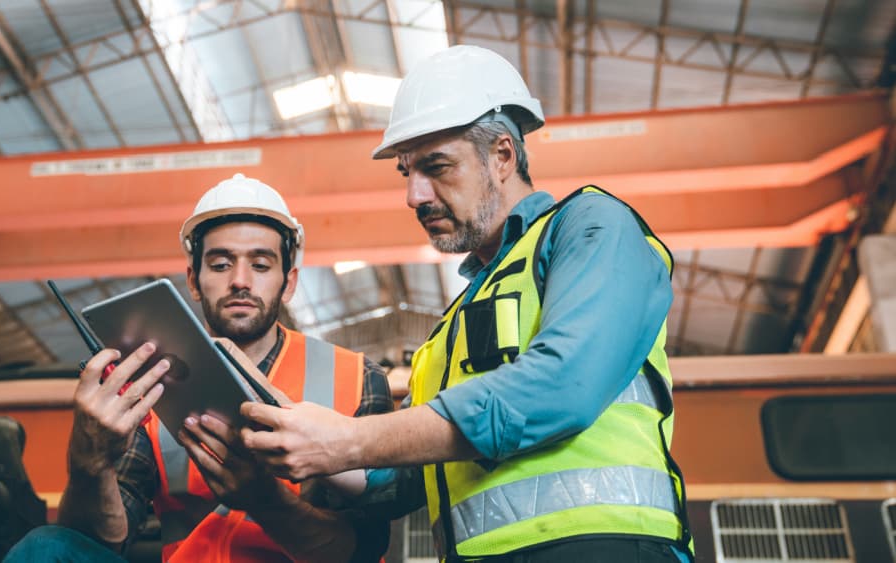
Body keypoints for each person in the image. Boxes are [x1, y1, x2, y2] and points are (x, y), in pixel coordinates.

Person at [240, 45, 694, 562]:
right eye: (407, 172)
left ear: (502, 155)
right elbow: (417, 473)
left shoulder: (591, 227)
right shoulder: (447, 330)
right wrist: (303, 446)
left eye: (436, 167)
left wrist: (349, 440)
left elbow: (562, 385)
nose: (415, 195)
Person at [5, 174, 394, 562]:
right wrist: (89, 463)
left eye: (260, 265)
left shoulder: (358, 379)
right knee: (47, 548)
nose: (240, 281)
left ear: (288, 283)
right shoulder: (147, 385)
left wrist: (267, 503)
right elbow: (101, 542)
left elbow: (364, 549)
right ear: (193, 280)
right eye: (221, 264)